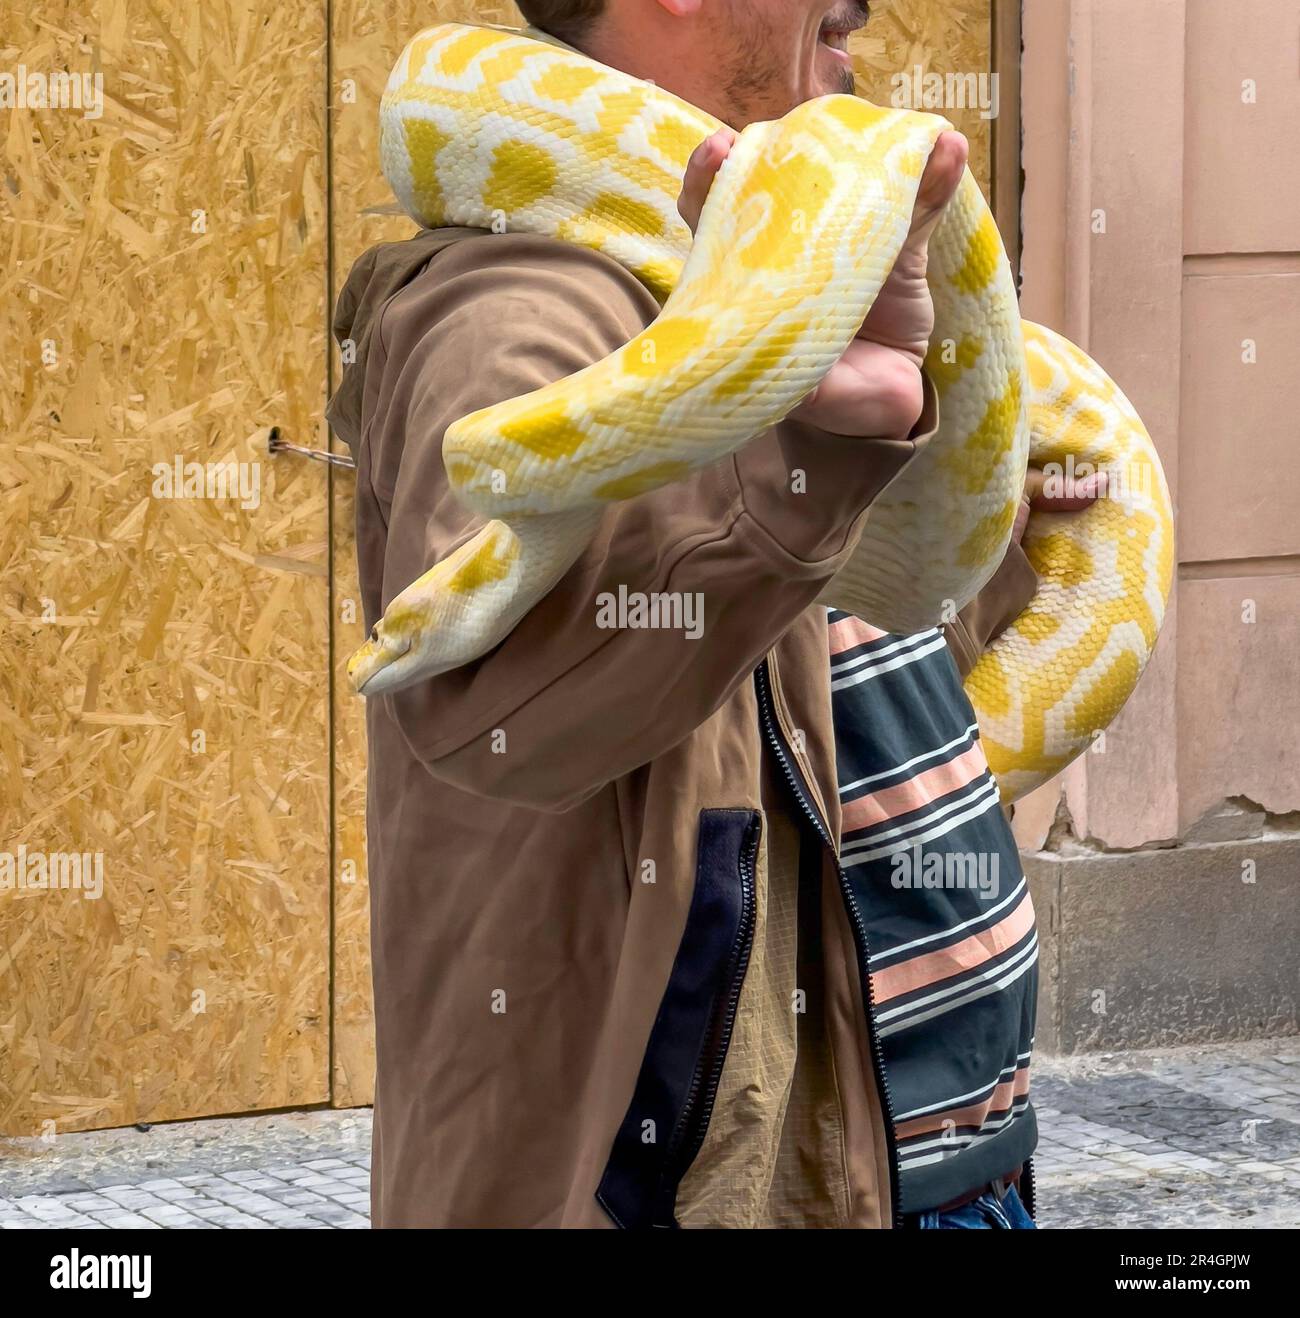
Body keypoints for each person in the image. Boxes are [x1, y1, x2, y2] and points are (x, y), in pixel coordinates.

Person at [327, 0, 1087, 1228]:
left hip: (949, 1159)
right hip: (697, 1180)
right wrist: (804, 467)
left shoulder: (803, 251)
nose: (862, 8)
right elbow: (495, 716)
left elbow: (855, 645)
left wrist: (986, 512)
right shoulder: (519, 311)